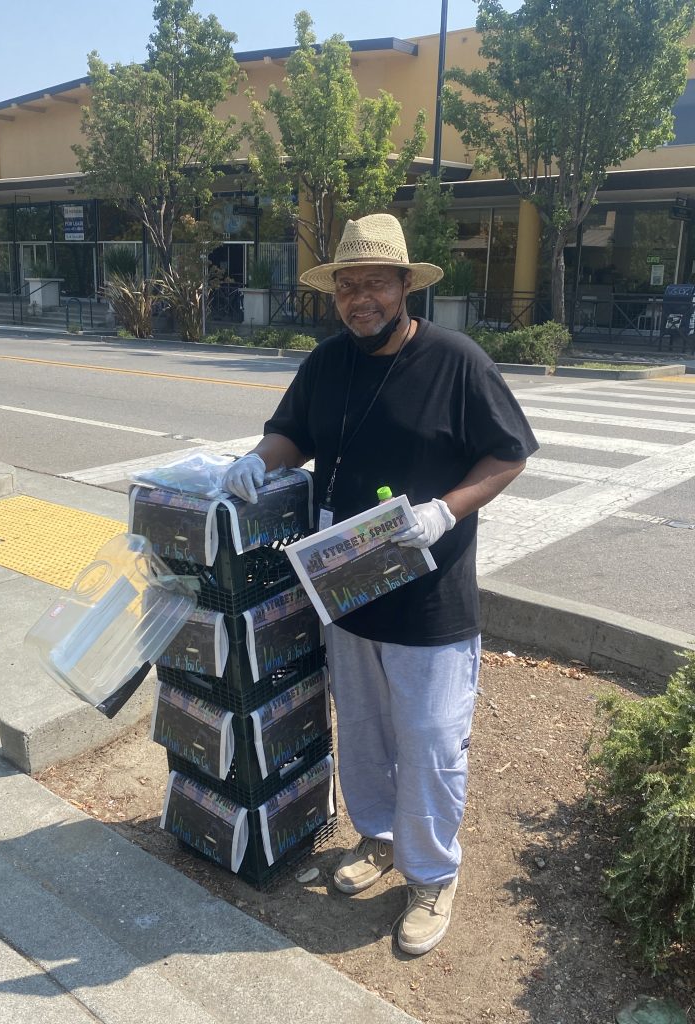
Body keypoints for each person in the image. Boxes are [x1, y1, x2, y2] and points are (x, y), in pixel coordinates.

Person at [222, 213, 538, 956]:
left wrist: (444, 510)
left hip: (429, 595)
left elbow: (509, 454)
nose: (359, 298)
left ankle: (433, 876)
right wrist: (259, 460)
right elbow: (292, 430)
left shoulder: (456, 361)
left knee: (429, 739)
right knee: (361, 726)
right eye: (347, 285)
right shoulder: (329, 360)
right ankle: (379, 836)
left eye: (375, 283)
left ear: (405, 287)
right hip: (344, 584)